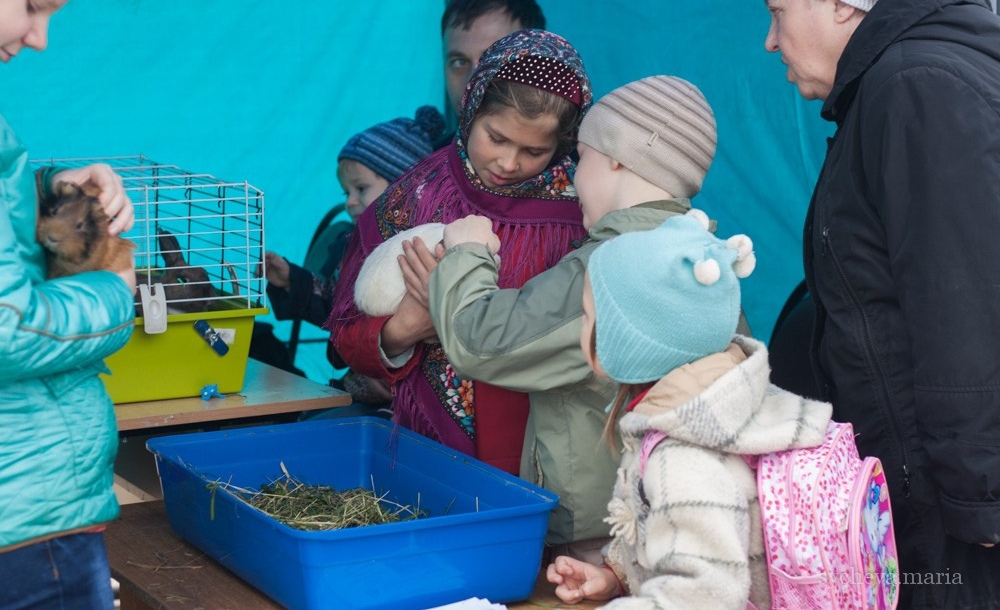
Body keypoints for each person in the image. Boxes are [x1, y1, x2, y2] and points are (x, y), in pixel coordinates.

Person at [407, 76, 733, 564]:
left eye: (582, 158)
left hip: (599, 534)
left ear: (617, 157)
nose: (574, 179)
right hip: (682, 516)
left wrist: (468, 252)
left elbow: (480, 343)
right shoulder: (711, 263)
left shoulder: (613, 266)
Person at [761, 0, 1000, 606]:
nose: (770, 39)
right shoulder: (899, 83)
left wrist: (983, 496)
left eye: (779, 12)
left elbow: (967, 298)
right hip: (926, 496)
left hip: (960, 522)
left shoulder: (916, 84)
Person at [327, 29, 591, 476]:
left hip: (542, 446)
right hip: (423, 441)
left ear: (563, 145)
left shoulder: (580, 211)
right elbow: (345, 331)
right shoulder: (417, 196)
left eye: (534, 151)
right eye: (496, 137)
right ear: (471, 111)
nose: (509, 163)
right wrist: (403, 328)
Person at [545, 213, 832, 608]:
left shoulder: (682, 458)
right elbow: (681, 535)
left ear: (628, 339)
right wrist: (616, 575)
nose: (583, 327)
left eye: (588, 316)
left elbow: (703, 594)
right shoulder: (728, 399)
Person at [0, 0, 139, 607]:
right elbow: (7, 326)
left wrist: (49, 191)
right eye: (32, 5)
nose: (41, 37)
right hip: (22, 519)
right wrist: (117, 292)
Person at [253, 106, 444, 398]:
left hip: (413, 392)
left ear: (403, 186)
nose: (350, 202)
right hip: (359, 384)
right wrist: (292, 279)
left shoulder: (427, 248)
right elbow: (338, 307)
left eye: (361, 188)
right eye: (346, 192)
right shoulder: (352, 246)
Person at [441, 0, 546, 119]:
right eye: (459, 62)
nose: (473, 84)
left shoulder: (580, 139)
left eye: (494, 60)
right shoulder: (427, 140)